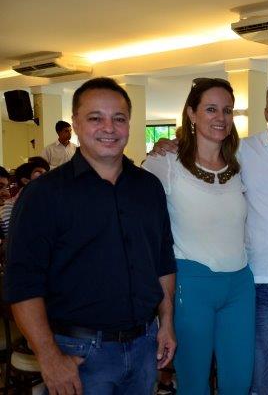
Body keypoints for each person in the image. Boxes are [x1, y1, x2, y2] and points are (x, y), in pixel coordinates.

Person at [152, 75, 268, 394]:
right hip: (244, 285)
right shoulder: (235, 153)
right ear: (266, 113)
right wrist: (164, 146)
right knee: (230, 380)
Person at [3, 77, 177, 394]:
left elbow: (162, 262)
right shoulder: (44, 194)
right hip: (78, 353)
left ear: (129, 124)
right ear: (76, 124)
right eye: (96, 118)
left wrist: (166, 323)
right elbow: (22, 283)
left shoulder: (148, 188)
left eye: (119, 118)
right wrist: (48, 356)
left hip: (144, 347)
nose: (109, 128)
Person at [143, 78, 254, 394]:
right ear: (191, 113)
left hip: (240, 284)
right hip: (191, 284)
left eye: (227, 110)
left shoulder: (240, 163)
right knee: (193, 383)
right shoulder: (164, 163)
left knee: (239, 381)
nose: (221, 117)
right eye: (211, 109)